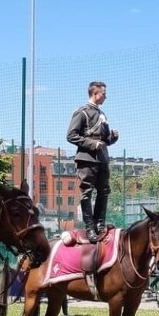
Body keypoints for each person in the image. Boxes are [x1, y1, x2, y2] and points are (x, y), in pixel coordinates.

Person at [67, 81, 119, 244]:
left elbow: (105, 140)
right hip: (86, 158)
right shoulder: (81, 112)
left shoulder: (102, 114)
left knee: (104, 191)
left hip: (102, 158)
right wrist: (92, 144)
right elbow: (71, 135)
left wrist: (112, 138)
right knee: (87, 192)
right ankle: (89, 227)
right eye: (103, 93)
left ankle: (99, 224)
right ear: (95, 93)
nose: (106, 96)